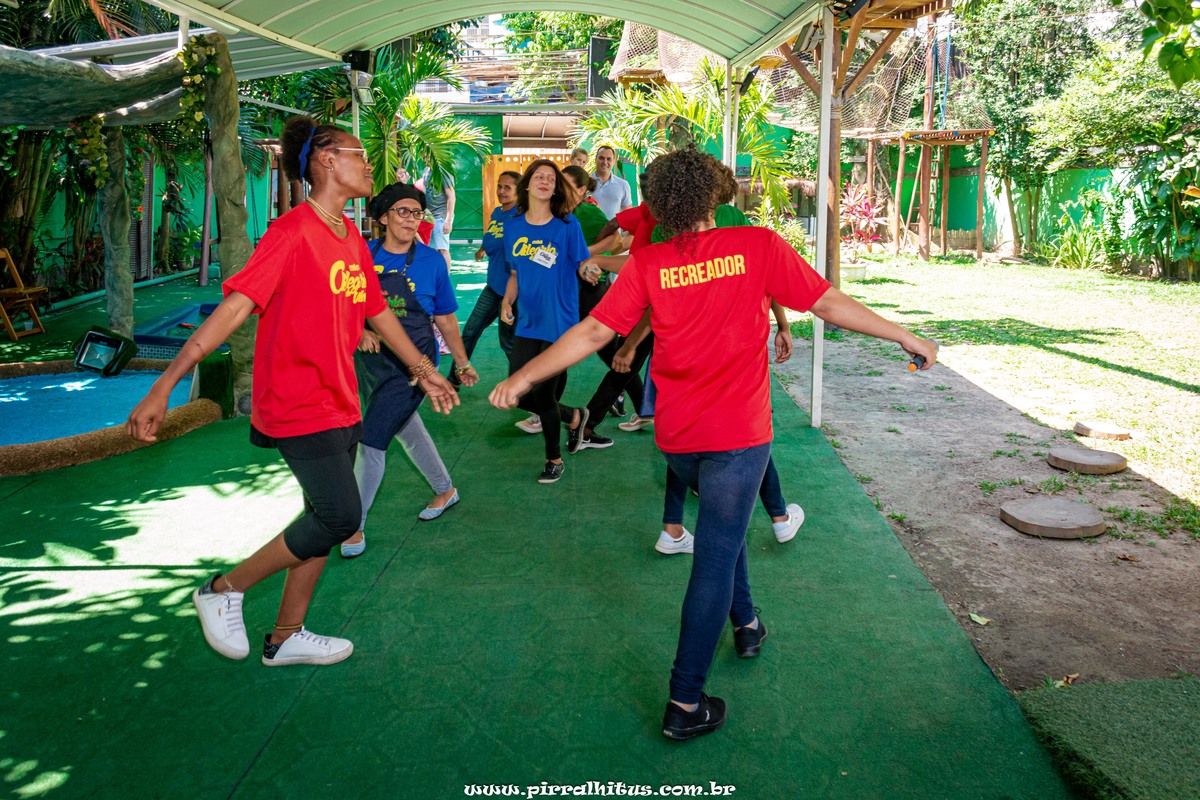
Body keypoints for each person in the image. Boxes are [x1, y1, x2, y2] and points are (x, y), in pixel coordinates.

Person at [489, 146, 937, 740]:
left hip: (679, 440)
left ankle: (746, 623)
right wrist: (905, 334)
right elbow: (826, 302)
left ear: (660, 204)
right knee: (716, 556)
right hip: (738, 435)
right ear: (715, 194)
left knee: (726, 530)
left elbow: (596, 330)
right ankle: (685, 702)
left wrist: (524, 375)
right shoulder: (756, 245)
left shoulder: (650, 262)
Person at [126, 116, 458, 668]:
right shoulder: (290, 233)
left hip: (340, 398)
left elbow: (376, 311)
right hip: (296, 402)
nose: (368, 164)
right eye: (359, 154)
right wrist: (165, 382)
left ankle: (285, 636)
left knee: (319, 517)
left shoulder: (350, 236)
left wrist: (424, 368)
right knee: (340, 517)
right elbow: (234, 308)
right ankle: (223, 589)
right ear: (327, 160)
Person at [340, 182, 478, 559]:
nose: (411, 219)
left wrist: (462, 362)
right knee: (407, 429)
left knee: (372, 439)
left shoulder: (432, 261)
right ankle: (445, 489)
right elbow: (346, 305)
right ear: (383, 217)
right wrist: (361, 330)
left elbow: (445, 319)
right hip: (372, 363)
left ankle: (353, 524)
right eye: (402, 211)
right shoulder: (363, 256)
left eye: (416, 213)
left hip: (416, 365)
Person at [499, 159, 592, 483]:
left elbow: (583, 263)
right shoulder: (513, 227)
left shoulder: (567, 226)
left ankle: (554, 459)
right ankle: (574, 416)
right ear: (527, 185)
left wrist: (590, 270)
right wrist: (506, 301)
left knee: (542, 394)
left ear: (555, 189)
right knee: (518, 392)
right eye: (539, 176)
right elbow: (514, 274)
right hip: (528, 321)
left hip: (560, 322)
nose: (544, 181)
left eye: (551, 179)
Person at [453, 170, 522, 392]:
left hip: (512, 292)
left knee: (508, 343)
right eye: (500, 186)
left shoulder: (521, 217)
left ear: (519, 191)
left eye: (507, 187)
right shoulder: (497, 213)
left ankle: (525, 385)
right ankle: (454, 378)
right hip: (493, 287)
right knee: (470, 331)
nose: (501, 191)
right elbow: (494, 235)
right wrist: (483, 248)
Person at [419, 165, 455, 269]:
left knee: (442, 249)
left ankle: (446, 277)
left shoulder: (443, 170)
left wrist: (448, 220)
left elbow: (451, 196)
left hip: (441, 215)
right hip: (429, 217)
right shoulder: (426, 170)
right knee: (432, 249)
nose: (424, 157)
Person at [590, 145, 633, 219]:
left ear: (613, 161)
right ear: (595, 159)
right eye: (601, 158)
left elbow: (628, 214)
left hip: (613, 227)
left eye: (609, 159)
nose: (605, 162)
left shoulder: (623, 185)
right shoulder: (586, 181)